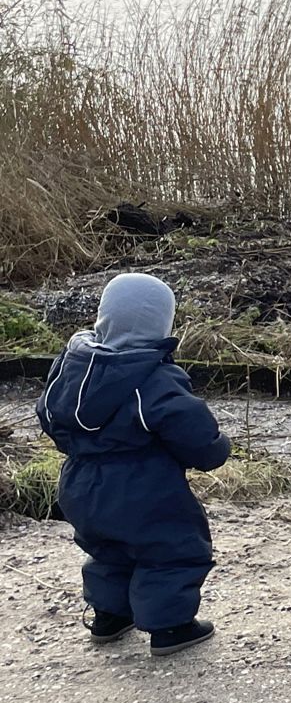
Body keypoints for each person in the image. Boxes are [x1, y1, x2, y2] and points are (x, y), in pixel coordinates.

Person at [36, 273, 231, 656]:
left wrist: (80, 449)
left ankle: (109, 616)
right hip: (143, 485)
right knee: (171, 549)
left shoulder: (73, 364)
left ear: (104, 315)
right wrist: (216, 449)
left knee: (108, 549)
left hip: (79, 483)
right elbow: (191, 429)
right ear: (161, 323)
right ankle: (170, 628)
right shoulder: (151, 378)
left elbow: (47, 413)